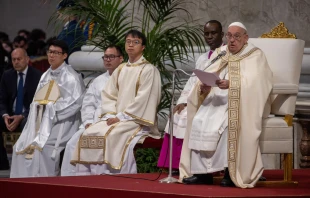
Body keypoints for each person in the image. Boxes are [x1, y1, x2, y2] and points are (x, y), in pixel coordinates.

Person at [180, 22, 273, 188]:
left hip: (241, 102)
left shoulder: (255, 55)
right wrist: (204, 86)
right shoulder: (221, 54)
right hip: (216, 99)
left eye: (237, 36)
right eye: (229, 36)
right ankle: (202, 174)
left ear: (246, 38)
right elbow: (209, 73)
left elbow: (260, 83)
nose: (231, 40)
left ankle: (231, 172)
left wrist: (232, 84)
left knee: (228, 123)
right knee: (199, 119)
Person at [70, 30, 161, 175]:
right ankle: (87, 178)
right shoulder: (121, 69)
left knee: (111, 135)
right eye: (128, 41)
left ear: (143, 47)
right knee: (89, 132)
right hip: (116, 117)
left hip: (136, 120)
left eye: (135, 42)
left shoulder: (149, 70)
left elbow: (144, 99)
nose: (131, 45)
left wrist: (121, 117)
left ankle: (111, 176)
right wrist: (110, 115)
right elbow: (109, 95)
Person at [10, 40, 85, 177]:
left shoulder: (71, 77)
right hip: (41, 121)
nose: (52, 56)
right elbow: (36, 100)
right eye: (50, 52)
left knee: (41, 149)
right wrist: (40, 108)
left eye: (56, 53)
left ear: (64, 55)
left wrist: (50, 109)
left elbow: (75, 104)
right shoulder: (45, 75)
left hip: (62, 123)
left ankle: (44, 186)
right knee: (19, 148)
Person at [157, 20, 224, 172]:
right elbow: (192, 81)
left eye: (213, 33)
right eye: (206, 34)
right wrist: (183, 101)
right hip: (197, 97)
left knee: (189, 118)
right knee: (178, 114)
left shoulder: (225, 55)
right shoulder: (202, 58)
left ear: (222, 34)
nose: (209, 36)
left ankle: (190, 164)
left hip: (214, 99)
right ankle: (175, 164)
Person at [61, 45, 124, 176]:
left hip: (115, 122)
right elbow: (88, 104)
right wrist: (88, 121)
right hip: (94, 122)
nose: (108, 60)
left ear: (121, 58)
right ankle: (73, 182)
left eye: (111, 56)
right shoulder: (98, 81)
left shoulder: (127, 79)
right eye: (105, 57)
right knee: (72, 144)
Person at [0, 48, 42, 170]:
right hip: (10, 115)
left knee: (28, 123)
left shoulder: (38, 76)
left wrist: (22, 116)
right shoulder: (7, 75)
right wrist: (5, 115)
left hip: (28, 115)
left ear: (27, 59)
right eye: (14, 59)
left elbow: (38, 103)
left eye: (19, 59)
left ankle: (26, 163)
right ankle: (2, 163)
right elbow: (1, 100)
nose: (16, 62)